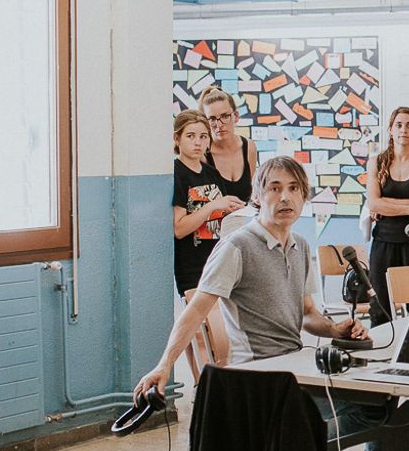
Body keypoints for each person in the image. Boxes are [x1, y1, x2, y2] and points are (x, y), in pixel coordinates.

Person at [136, 156, 372, 425]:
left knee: (374, 404)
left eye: (294, 188)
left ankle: (296, 446)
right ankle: (291, 446)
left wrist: (334, 329)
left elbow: (307, 312)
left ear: (304, 196)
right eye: (275, 188)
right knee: (365, 409)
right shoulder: (237, 247)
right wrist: (164, 365)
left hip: (295, 369)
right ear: (257, 196)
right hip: (257, 376)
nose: (285, 197)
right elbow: (196, 311)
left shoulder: (301, 246)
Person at [365, 106, 409, 324]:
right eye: (398, 125)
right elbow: (373, 202)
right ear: (390, 129)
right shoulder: (376, 162)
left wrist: (386, 204)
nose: (403, 130)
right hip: (383, 241)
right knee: (380, 309)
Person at [172, 110, 244, 295]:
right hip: (192, 269)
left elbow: (223, 213)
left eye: (203, 137)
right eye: (190, 136)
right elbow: (179, 229)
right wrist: (212, 206)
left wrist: (238, 209)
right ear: (177, 138)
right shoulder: (176, 174)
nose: (198, 142)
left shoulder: (211, 172)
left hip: (218, 262)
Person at [199, 87, 258, 205]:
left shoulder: (249, 147)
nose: (219, 125)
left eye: (225, 116)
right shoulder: (201, 154)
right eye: (212, 119)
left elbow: (250, 194)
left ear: (236, 116)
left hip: (244, 215)